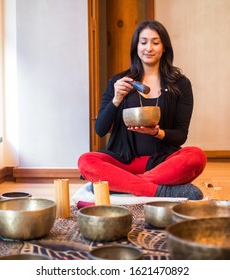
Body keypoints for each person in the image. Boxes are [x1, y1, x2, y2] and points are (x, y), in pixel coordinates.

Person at [77, 20, 207, 200]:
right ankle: (160, 191)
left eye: (155, 42)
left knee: (196, 156)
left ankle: (120, 185)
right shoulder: (119, 81)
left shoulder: (180, 84)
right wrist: (117, 98)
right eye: (143, 42)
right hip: (124, 161)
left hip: (162, 163)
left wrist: (158, 132)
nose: (149, 48)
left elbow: (181, 135)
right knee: (86, 160)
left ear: (164, 47)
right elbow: (100, 129)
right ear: (136, 46)